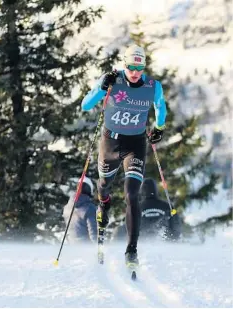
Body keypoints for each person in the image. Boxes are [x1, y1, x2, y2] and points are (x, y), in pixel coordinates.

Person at [81, 44, 167, 267]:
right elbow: (85, 104)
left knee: (131, 194)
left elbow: (160, 107)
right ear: (124, 64)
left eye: (139, 67)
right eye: (130, 67)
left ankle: (131, 250)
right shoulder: (112, 80)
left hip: (135, 144)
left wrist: (159, 127)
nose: (135, 72)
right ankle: (103, 206)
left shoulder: (152, 86)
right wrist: (102, 87)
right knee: (103, 186)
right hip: (110, 143)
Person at [113, 178, 182, 241]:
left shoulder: (136, 207)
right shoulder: (167, 206)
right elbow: (176, 223)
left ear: (142, 191)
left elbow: (127, 226)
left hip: (142, 244)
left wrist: (118, 242)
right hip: (164, 242)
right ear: (156, 190)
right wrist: (175, 239)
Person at [63, 177, 97, 243]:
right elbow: (94, 233)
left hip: (73, 247)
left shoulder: (67, 208)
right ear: (89, 189)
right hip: (86, 248)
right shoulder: (90, 207)